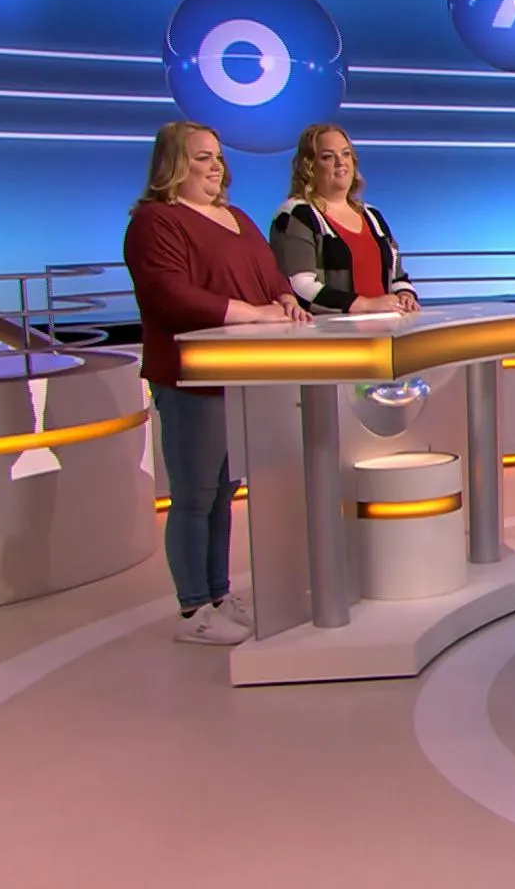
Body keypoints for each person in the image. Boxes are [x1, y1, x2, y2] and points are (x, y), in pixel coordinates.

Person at [123, 121, 309, 645]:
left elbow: (269, 275)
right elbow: (169, 294)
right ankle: (194, 609)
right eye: (202, 157)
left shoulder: (237, 217)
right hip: (190, 376)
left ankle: (219, 595)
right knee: (194, 495)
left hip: (238, 375)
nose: (215, 166)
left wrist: (284, 299)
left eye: (218, 157)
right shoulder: (155, 221)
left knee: (223, 492)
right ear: (173, 165)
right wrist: (251, 313)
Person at [270, 124, 419, 316]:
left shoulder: (372, 216)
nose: (340, 162)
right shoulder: (296, 214)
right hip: (330, 331)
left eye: (346, 154)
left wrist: (405, 294)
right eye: (328, 157)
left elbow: (397, 276)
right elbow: (299, 286)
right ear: (309, 166)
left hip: (385, 327)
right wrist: (365, 305)